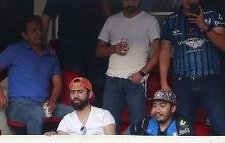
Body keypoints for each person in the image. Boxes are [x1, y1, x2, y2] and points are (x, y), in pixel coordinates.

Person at [0, 15, 73, 135]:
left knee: (74, 112)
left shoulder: (51, 55)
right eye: (34, 31)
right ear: (25, 35)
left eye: (40, 30)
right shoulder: (15, 49)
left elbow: (58, 82)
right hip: (18, 105)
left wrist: (53, 99)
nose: (38, 33)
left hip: (44, 105)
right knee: (35, 113)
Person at [158, 0, 225, 135]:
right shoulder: (170, 20)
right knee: (184, 130)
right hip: (183, 82)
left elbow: (224, 45)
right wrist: (163, 82)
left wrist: (204, 25)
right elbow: (165, 52)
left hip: (210, 80)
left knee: (220, 126)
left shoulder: (213, 16)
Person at [96, 0, 160, 128]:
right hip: (112, 80)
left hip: (136, 81)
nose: (131, 2)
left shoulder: (149, 20)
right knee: (109, 127)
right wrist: (114, 49)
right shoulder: (112, 20)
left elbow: (159, 52)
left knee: (138, 127)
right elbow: (98, 51)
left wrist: (142, 73)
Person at [42, 0, 111, 96]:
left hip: (94, 43)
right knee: (77, 81)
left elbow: (106, 10)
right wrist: (43, 46)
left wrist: (110, 35)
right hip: (69, 43)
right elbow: (45, 19)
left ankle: (94, 109)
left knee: (97, 81)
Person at [49, 76, 117, 135]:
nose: (75, 95)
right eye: (72, 92)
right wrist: (53, 136)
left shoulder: (104, 115)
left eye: (80, 92)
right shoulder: (67, 119)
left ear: (90, 94)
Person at [128, 89, 193, 135]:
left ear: (173, 108)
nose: (157, 110)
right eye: (154, 106)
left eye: (162, 106)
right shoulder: (145, 122)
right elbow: (125, 136)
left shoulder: (182, 124)